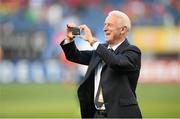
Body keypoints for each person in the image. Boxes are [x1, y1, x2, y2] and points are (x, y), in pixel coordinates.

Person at [60, 10, 142, 118]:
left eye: (110, 25)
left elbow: (115, 62)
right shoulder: (100, 52)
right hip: (98, 115)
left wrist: (92, 41)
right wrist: (69, 39)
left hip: (121, 114)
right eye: (104, 25)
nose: (105, 28)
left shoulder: (132, 51)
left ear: (123, 29)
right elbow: (74, 56)